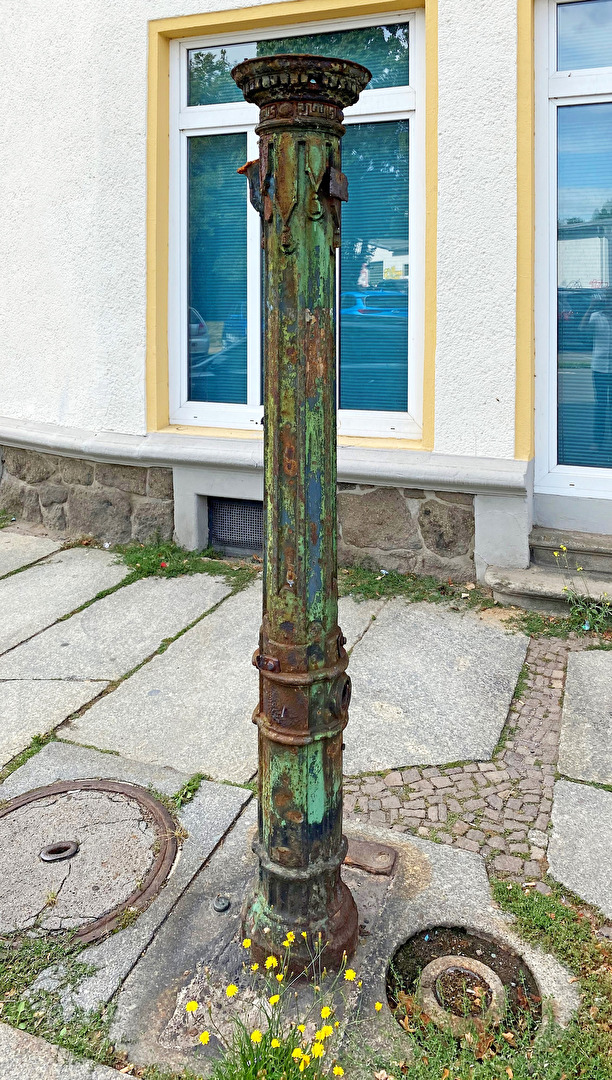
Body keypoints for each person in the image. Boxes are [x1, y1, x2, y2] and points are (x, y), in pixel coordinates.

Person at [580, 289, 612, 450]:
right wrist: (590, 307)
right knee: (601, 404)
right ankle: (597, 441)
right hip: (599, 368)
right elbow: (582, 329)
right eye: (607, 299)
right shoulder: (596, 316)